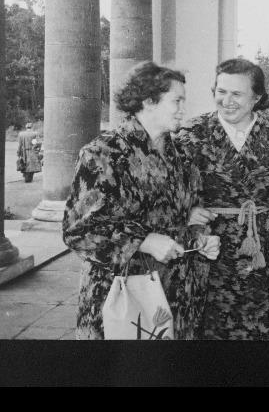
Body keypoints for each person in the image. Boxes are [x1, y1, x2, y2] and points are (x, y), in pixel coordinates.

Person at [63, 62, 220, 340]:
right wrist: (144, 241)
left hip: (176, 301)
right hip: (122, 301)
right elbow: (79, 231)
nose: (184, 108)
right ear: (149, 101)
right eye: (177, 100)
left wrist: (200, 240)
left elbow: (187, 213)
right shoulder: (104, 154)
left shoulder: (182, 155)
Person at [176, 58, 269, 340]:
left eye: (237, 94)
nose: (227, 101)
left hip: (263, 265)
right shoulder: (191, 135)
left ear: (257, 97)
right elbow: (167, 196)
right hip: (208, 262)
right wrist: (186, 213)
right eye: (221, 91)